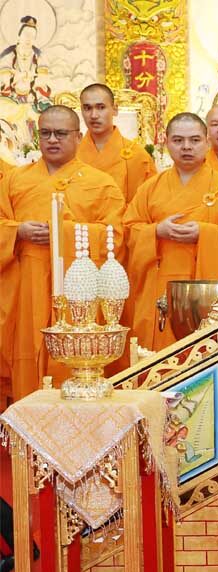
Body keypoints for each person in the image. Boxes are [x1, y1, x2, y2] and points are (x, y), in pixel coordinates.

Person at [0, 105, 125, 404]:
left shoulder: (101, 183)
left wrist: (62, 233)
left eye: (61, 133)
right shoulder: (16, 180)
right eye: (46, 133)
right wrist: (17, 232)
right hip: (25, 286)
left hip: (78, 288)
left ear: (78, 136)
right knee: (26, 356)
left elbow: (115, 236)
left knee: (76, 362)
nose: (52, 140)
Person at [123, 113, 218, 350]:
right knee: (157, 357)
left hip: (205, 294)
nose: (186, 147)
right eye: (178, 140)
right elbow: (129, 232)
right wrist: (156, 231)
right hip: (159, 290)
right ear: (166, 143)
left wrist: (205, 234)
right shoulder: (150, 188)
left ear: (207, 143)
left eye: (194, 140)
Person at [77, 83, 155, 203]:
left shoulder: (138, 156)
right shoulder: (70, 154)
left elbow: (150, 201)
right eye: (87, 108)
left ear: (115, 110)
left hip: (124, 220)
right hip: (80, 221)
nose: (94, 115)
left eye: (101, 107)